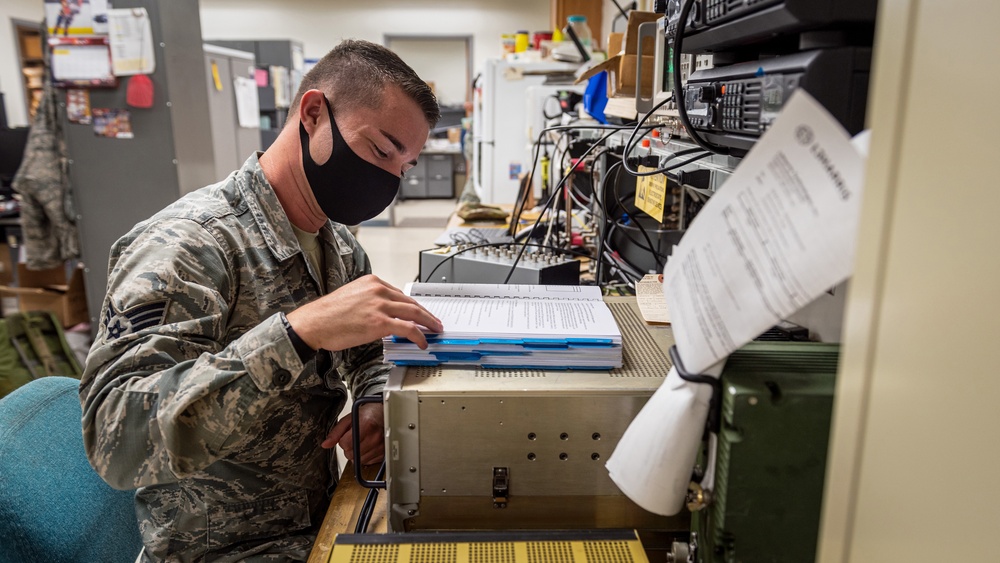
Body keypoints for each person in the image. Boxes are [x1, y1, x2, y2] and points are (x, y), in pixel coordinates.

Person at [79, 40, 444, 562]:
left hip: (316, 521)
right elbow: (117, 440)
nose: (389, 178)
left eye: (404, 167)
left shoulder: (335, 244)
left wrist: (373, 401)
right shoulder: (188, 245)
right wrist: (295, 334)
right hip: (223, 549)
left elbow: (369, 349)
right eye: (381, 151)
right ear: (314, 113)